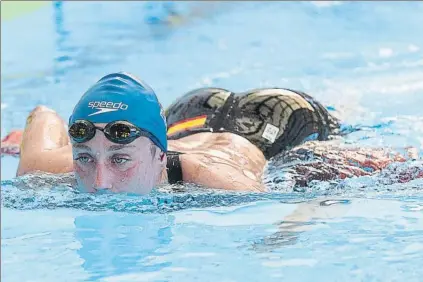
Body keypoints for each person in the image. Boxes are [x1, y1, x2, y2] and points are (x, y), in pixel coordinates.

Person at [1, 72, 419, 194]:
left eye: (121, 160)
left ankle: (347, 103)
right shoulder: (43, 166)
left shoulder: (219, 181)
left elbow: (291, 196)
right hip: (189, 113)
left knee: (341, 145)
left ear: (160, 159)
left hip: (272, 123)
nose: (100, 182)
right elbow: (42, 113)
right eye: (85, 158)